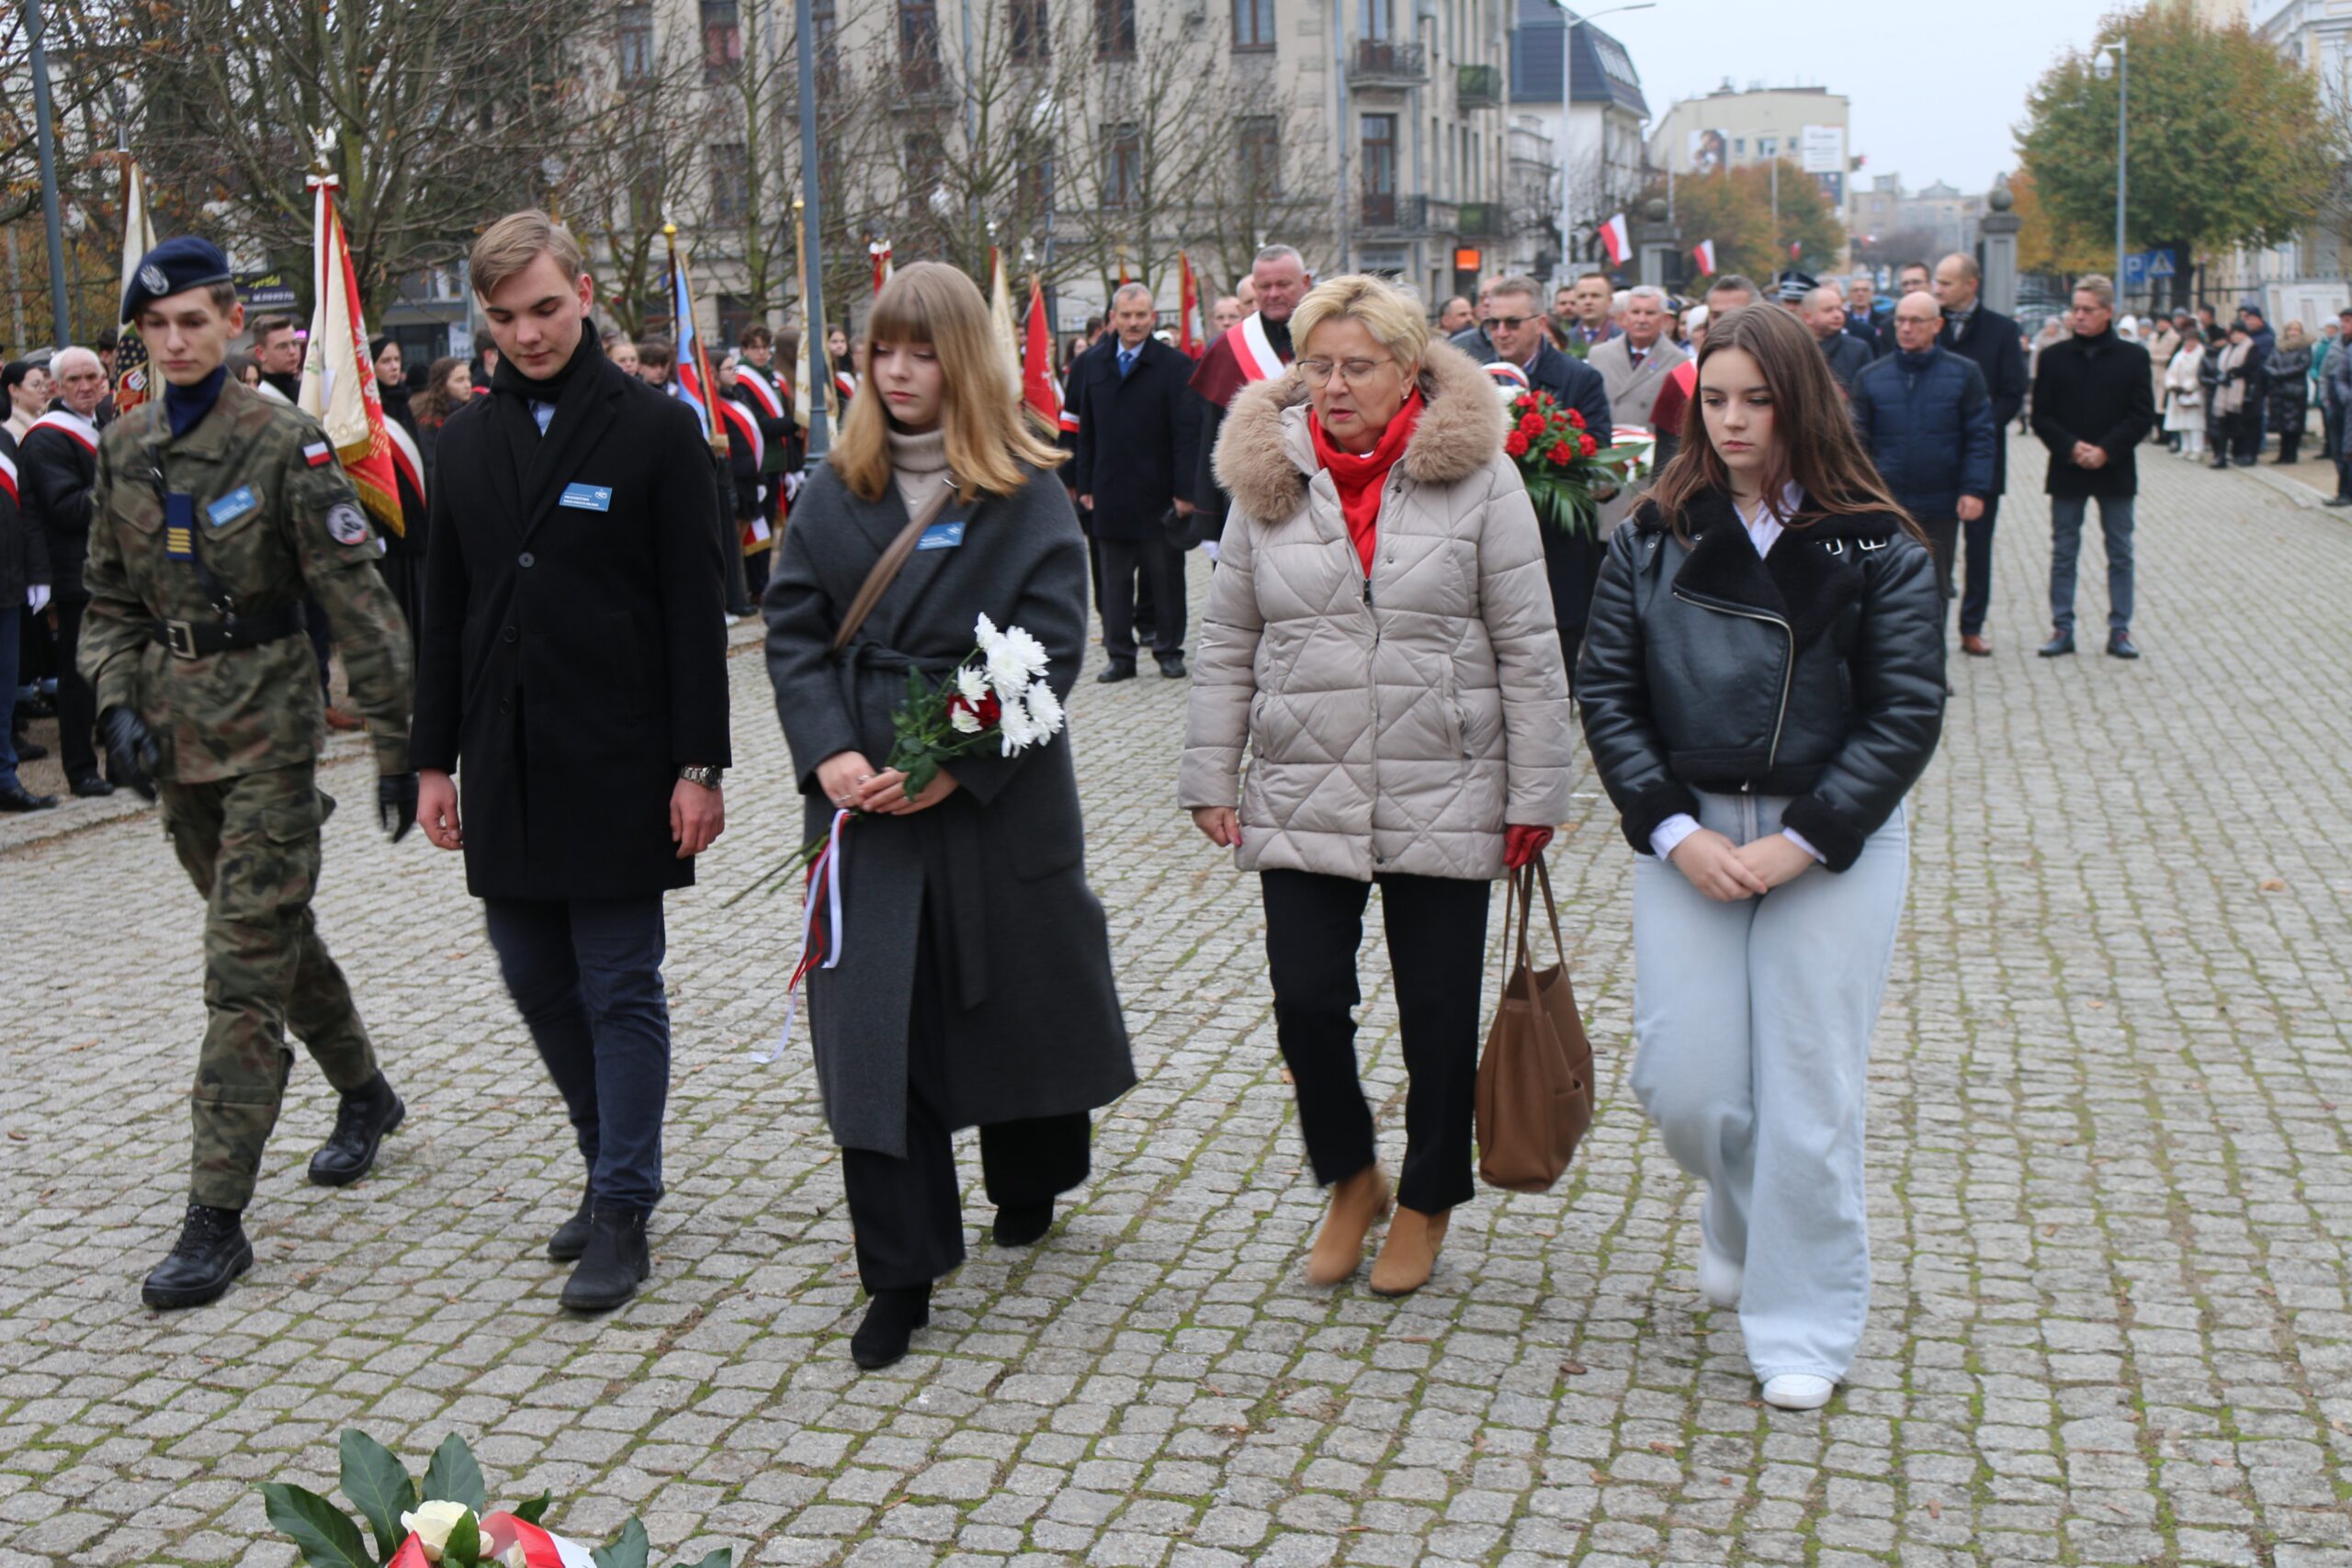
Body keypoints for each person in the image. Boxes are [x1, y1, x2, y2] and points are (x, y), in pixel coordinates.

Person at [763, 262, 1135, 1370]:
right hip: (862, 809)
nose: (899, 370)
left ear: (962, 359)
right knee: (873, 1036)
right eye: (883, 349)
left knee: (1017, 1005)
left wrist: (949, 761)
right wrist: (828, 751)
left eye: (922, 351)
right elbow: (792, 630)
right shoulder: (833, 489)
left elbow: (1054, 643)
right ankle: (900, 1271)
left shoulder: (1023, 490)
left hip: (992, 803)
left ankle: (1032, 1177)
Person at [1576, 301, 1945, 1412]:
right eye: (1716, 398)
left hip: (1830, 838)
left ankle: (1802, 1324)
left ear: (1802, 402)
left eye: (1756, 400)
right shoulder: (1651, 531)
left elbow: (1906, 710)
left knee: (1808, 1089)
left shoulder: (1877, 539)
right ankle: (1735, 1207)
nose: (1731, 421)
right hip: (1688, 824)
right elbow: (1607, 691)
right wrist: (1674, 831)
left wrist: (1805, 843)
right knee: (1683, 1080)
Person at [1181, 275, 1573, 1299]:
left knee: (1436, 1012)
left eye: (1358, 365)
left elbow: (1530, 646)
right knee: (1307, 1002)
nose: (1335, 385)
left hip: (1445, 773)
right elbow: (1226, 639)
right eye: (1318, 365)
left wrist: (1535, 791)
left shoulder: (1479, 478)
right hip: (1303, 775)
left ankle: (1428, 1196)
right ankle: (1350, 1174)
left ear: (1408, 371)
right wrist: (1209, 772)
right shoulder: (1267, 478)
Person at [82, 237, 420, 1309]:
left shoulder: (286, 443)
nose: (176, 341)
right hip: (176, 745)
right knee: (273, 938)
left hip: (272, 736)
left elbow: (359, 600)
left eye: (195, 321)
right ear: (140, 337)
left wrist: (399, 742)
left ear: (233, 326)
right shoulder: (123, 447)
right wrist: (115, 704)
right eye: (157, 326)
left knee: (239, 973)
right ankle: (366, 1094)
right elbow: (107, 605)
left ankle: (214, 1219)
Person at [411, 210, 731, 1314]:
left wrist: (701, 764)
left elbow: (698, 610)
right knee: (533, 975)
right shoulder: (463, 440)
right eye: (503, 318)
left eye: (545, 308)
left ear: (584, 292)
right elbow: (442, 610)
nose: (528, 334)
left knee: (617, 981)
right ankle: (607, 1167)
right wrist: (430, 760)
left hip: (620, 754)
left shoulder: (652, 429)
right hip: (504, 758)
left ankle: (625, 1206)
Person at [1848, 293, 1995, 644]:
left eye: (1916, 321)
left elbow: (1980, 437)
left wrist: (1973, 489)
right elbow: (1856, 443)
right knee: (1881, 585)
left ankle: (1932, 665)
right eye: (1900, 320)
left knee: (1934, 586)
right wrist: (1859, 494)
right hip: (1886, 503)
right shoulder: (1871, 377)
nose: (1906, 328)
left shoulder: (1964, 374)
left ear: (1937, 325)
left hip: (1940, 501)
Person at [1485, 276, 1613, 676]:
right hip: (1489, 542)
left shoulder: (1580, 379)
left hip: (1556, 543)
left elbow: (1596, 453)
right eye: (1493, 323)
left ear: (1540, 323)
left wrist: (1541, 458)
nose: (1501, 333)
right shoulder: (1473, 373)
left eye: (1512, 322)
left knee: (1555, 663)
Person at [1072, 283, 1200, 681]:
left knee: (1166, 578)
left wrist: (1185, 493)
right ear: (1114, 318)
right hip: (1109, 490)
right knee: (1114, 582)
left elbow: (1187, 433)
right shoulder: (1092, 364)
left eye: (1141, 315)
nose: (1133, 323)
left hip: (1160, 494)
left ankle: (1168, 650)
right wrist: (1084, 484)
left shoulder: (1175, 366)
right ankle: (1120, 656)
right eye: (1126, 316)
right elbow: (1085, 429)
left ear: (1153, 318)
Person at [2030, 275, 2153, 660]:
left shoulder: (2133, 357)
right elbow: (2041, 416)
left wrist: (2106, 450)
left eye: (2087, 310)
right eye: (2075, 309)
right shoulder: (2053, 357)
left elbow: (2141, 415)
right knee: (2064, 551)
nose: (2078, 317)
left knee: (2120, 551)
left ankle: (2120, 629)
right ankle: (2062, 627)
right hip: (2067, 468)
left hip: (2114, 469)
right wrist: (2071, 448)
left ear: (2108, 312)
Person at [18, 345, 114, 795]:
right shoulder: (47, 437)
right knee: (78, 677)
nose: (84, 386)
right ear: (55, 387)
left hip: (115, 570)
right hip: (77, 574)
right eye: (74, 380)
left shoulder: (105, 424)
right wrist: (125, 489)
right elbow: (66, 508)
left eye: (91, 377)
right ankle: (80, 769)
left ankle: (123, 760)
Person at [1930, 253, 2029, 659]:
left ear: (1971, 284)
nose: (1937, 290)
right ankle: (1930, 629)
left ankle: (1972, 626)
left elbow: (2012, 391)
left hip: (1982, 457)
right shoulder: (1927, 325)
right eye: (1936, 282)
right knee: (1934, 551)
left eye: (1946, 283)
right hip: (1934, 457)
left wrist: (1979, 425)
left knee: (1979, 547)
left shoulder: (2002, 331)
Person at [1190, 245, 1310, 540]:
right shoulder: (1229, 348)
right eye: (1265, 286)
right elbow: (1211, 439)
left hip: (1324, 494)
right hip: (1249, 507)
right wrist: (1208, 524)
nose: (1273, 294)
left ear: (1305, 282)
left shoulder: (1333, 335)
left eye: (1283, 284)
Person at [1650, 276, 1763, 470]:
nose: (1726, 323)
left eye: (1737, 313)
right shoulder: (1681, 378)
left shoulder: (1785, 372)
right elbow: (1666, 462)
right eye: (1716, 315)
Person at [0, 424, 53, 810]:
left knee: (3, 693)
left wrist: (37, 573)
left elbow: (25, 513)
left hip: (8, 587)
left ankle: (4, 778)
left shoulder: (3, 439)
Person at [1587, 285, 1690, 430]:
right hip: (1609, 448)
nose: (1642, 319)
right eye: (1635, 312)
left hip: (1653, 447)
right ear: (1623, 317)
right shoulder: (1599, 355)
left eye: (1650, 313)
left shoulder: (1680, 361)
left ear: (1664, 319)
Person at [1803, 287, 1872, 394]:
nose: (1837, 315)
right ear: (1808, 317)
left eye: (1840, 309)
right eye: (1828, 310)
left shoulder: (1858, 349)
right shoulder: (1795, 348)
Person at [2231, 302, 2274, 465]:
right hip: (2241, 387)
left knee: (2253, 422)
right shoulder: (2241, 343)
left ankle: (2251, 452)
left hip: (2255, 386)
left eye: (2251, 318)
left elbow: (2256, 365)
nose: (2249, 322)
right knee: (2241, 421)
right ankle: (2241, 452)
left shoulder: (2263, 340)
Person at [2264, 321, 2312, 465]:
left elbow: (2303, 365)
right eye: (2290, 329)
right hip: (2279, 391)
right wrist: (2275, 372)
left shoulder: (2304, 347)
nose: (2293, 332)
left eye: (2296, 330)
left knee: (2294, 425)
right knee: (2282, 424)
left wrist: (2281, 374)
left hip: (2295, 390)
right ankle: (2283, 454)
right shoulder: (2278, 347)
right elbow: (2268, 364)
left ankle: (2292, 454)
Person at [2163, 323, 2207, 462]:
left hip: (2193, 392)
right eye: (2187, 341)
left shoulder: (2201, 355)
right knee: (2182, 423)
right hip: (2178, 392)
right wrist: (2173, 385)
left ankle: (2197, 450)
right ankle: (2185, 448)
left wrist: (2189, 387)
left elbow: (2199, 374)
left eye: (2192, 341)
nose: (2189, 343)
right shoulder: (2180, 355)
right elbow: (2171, 372)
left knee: (2195, 424)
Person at [2325, 317, 2352, 505]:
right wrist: (2346, 396)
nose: (2343, 325)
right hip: (2344, 407)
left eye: (2348, 321)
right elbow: (2338, 377)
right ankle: (2344, 493)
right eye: (2342, 321)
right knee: (2345, 451)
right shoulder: (2345, 350)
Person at [2142, 311, 2180, 444]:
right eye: (2159, 322)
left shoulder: (2174, 338)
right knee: (2153, 403)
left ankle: (2165, 435)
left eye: (2164, 322)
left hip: (2165, 371)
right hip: (2153, 371)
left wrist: (2155, 358)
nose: (2161, 324)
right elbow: (2147, 352)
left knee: (2162, 404)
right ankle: (2156, 433)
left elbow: (2170, 356)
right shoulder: (2153, 336)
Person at [247, 315, 304, 402]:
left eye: (294, 343)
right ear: (261, 353)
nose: (292, 351)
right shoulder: (257, 395)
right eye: (282, 346)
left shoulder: (304, 388)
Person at [1563, 270, 1618, 349]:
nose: (1588, 302)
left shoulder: (1624, 339)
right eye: (1582, 296)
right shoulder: (1564, 341)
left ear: (1609, 301)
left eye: (1595, 296)